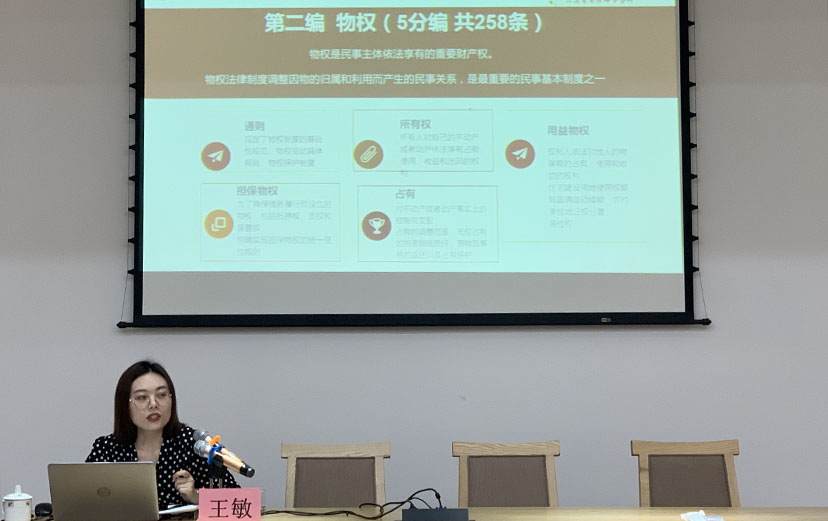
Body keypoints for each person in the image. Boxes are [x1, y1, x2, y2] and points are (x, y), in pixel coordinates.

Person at [86, 360, 239, 508]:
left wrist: (196, 496)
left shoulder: (193, 445)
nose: (153, 404)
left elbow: (236, 502)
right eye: (142, 397)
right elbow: (82, 501)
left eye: (161, 395)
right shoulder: (107, 449)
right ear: (125, 404)